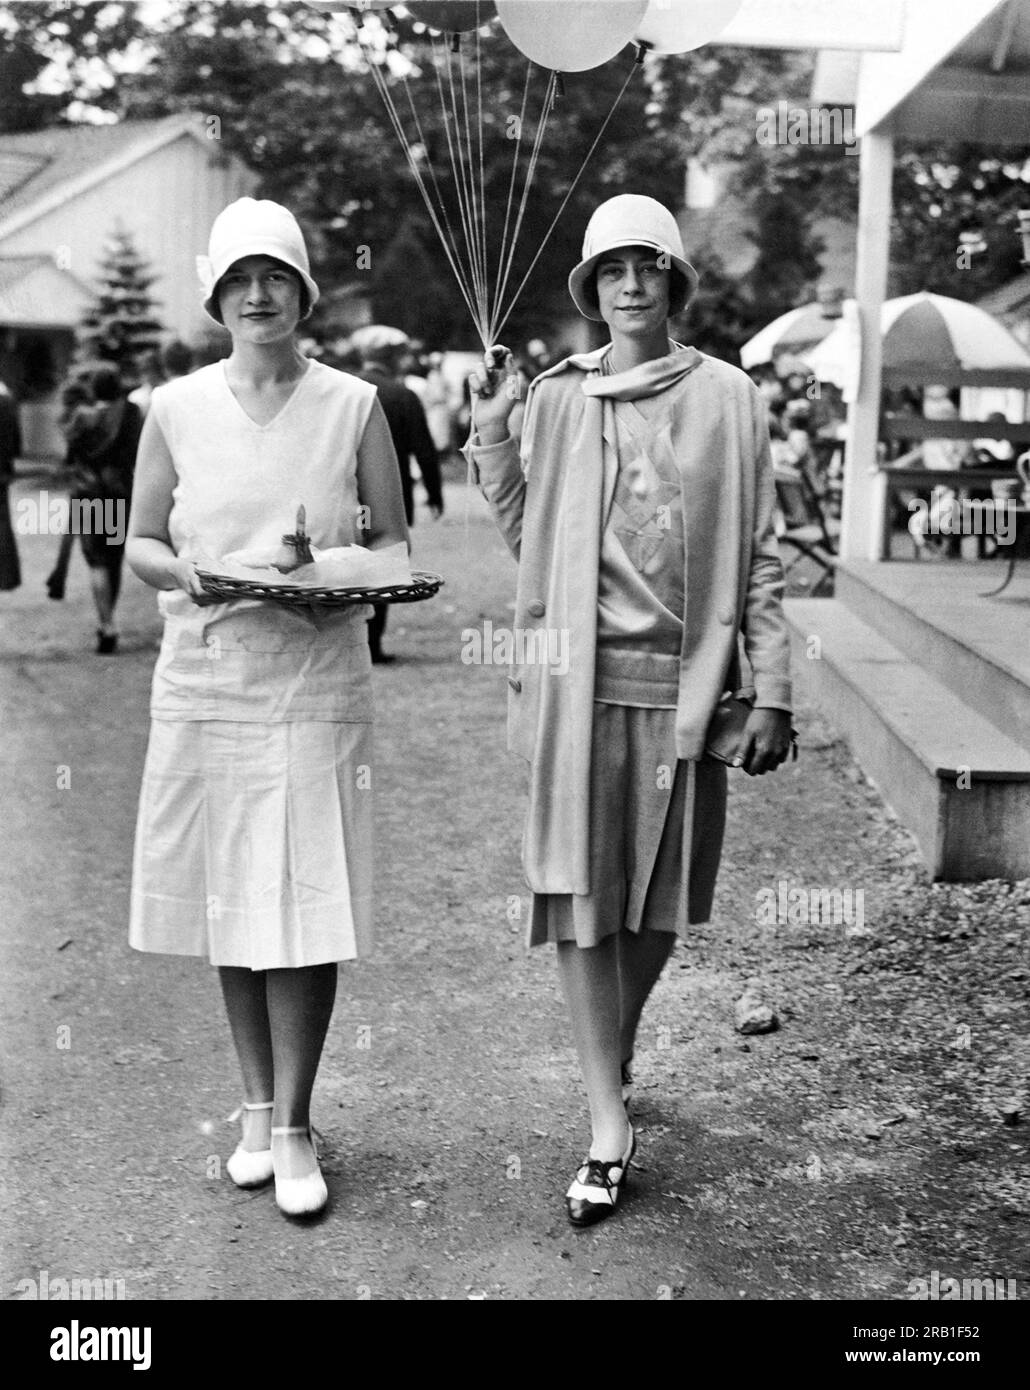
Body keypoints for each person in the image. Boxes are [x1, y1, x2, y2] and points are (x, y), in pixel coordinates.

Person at [466, 194, 794, 1229]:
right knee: (577, 895)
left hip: (686, 687)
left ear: (675, 282)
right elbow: (529, 534)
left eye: (649, 265)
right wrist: (492, 434)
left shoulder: (730, 397)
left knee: (657, 901)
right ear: (590, 289)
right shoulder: (560, 399)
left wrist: (773, 688)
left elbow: (765, 553)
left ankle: (611, 1043)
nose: (631, 283)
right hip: (577, 682)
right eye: (612, 268)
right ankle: (608, 1120)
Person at [125, 197, 408, 1218]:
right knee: (229, 898)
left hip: (313, 680)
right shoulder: (175, 406)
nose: (259, 295)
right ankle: (253, 1103)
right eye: (240, 279)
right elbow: (144, 540)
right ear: (215, 297)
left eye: (276, 276)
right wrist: (199, 573)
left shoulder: (352, 404)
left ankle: (295, 1120)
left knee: (302, 900)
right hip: (206, 678)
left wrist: (316, 565)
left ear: (303, 291)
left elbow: (394, 550)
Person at [356, 341, 443, 662]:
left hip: (352, 500)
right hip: (390, 495)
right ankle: (373, 642)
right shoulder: (403, 395)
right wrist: (434, 493)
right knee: (382, 560)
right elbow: (424, 448)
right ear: (393, 362)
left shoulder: (347, 389)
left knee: (349, 558)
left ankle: (352, 634)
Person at [74, 364, 143, 652]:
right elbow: (138, 452)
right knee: (112, 559)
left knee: (97, 561)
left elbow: (71, 454)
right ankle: (109, 619)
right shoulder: (129, 414)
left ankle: (107, 624)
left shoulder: (82, 417)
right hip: (118, 495)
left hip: (89, 495)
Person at [0, 378, 21, 591]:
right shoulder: (6, 399)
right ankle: (7, 575)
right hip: (2, 467)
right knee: (3, 523)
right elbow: (15, 438)